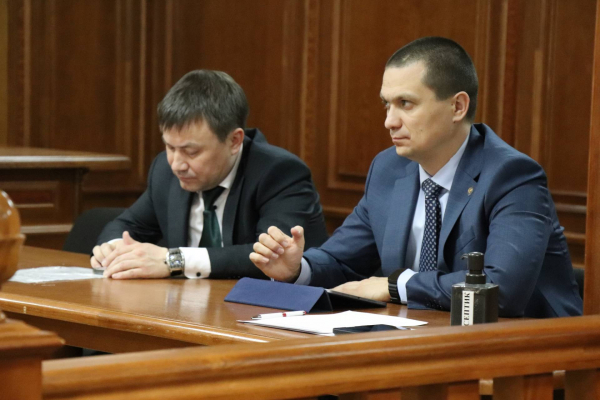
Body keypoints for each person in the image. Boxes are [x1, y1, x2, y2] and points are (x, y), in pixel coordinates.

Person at [250, 37, 583, 318]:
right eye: (387, 105)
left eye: (405, 104)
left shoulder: (512, 177)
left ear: (457, 107)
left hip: (527, 354)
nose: (389, 121)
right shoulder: (389, 168)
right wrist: (297, 268)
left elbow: (502, 289)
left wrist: (395, 285)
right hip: (419, 337)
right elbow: (342, 259)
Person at [92, 70, 328, 280]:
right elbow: (126, 225)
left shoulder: (280, 173)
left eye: (191, 152)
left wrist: (174, 261)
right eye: (170, 147)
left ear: (234, 141)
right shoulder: (164, 170)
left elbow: (272, 258)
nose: (177, 165)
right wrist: (114, 250)